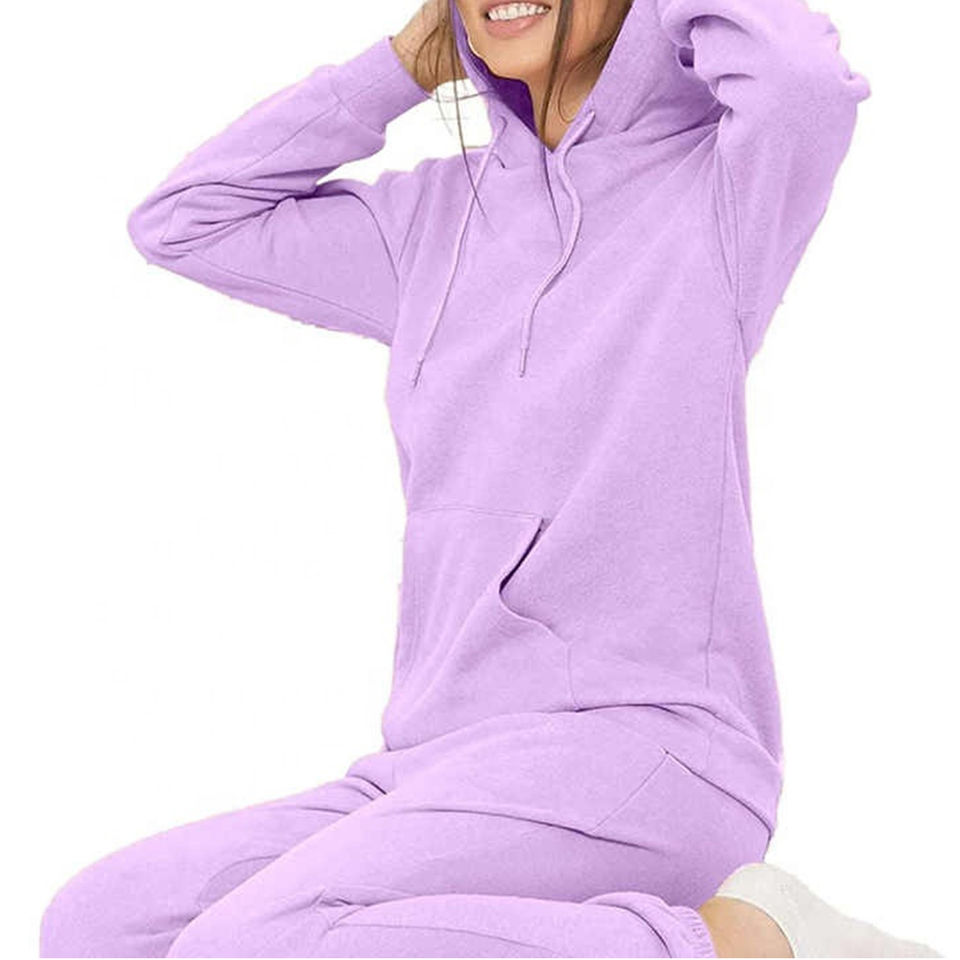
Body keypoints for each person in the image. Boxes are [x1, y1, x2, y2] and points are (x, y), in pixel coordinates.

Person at [39, 1, 940, 957]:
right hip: (436, 760)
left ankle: (748, 946)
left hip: (650, 750)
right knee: (100, 926)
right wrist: (400, 66)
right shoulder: (432, 219)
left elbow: (801, 82)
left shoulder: (717, 185)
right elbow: (185, 222)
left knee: (252, 944)